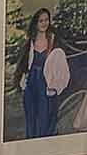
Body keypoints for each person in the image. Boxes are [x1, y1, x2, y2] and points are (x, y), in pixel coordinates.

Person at [20, 7, 71, 139]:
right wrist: (23, 79)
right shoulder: (30, 41)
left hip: (45, 82)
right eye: (40, 20)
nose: (44, 23)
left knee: (45, 116)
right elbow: (24, 64)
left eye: (46, 20)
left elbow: (60, 63)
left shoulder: (53, 40)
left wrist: (56, 85)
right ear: (36, 23)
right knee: (31, 116)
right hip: (31, 82)